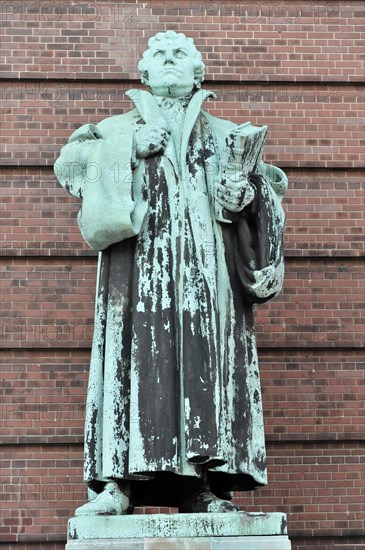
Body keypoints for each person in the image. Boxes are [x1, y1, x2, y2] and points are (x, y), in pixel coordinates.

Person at [54, 30, 287, 515]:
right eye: (158, 55)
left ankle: (201, 487)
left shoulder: (225, 135)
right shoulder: (114, 128)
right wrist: (128, 148)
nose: (169, 62)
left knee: (206, 371)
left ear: (197, 72)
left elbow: (270, 194)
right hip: (135, 275)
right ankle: (116, 485)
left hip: (207, 280)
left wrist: (245, 199)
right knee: (128, 365)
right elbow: (71, 167)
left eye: (180, 55)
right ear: (144, 73)